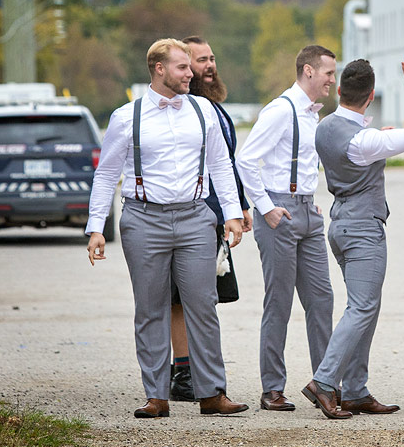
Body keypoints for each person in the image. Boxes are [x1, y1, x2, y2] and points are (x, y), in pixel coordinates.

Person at [86, 38, 249, 418]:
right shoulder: (127, 117)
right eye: (182, 67)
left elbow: (221, 165)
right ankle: (156, 395)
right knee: (151, 308)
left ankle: (212, 393)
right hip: (144, 219)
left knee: (203, 305)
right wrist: (96, 227)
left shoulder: (203, 110)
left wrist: (232, 213)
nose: (190, 73)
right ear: (159, 69)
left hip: (195, 217)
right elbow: (107, 173)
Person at [306, 56, 404, 419]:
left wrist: (383, 138)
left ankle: (356, 390)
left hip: (339, 222)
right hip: (363, 227)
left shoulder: (325, 127)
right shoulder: (366, 140)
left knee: (364, 307)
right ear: (371, 96)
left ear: (340, 90)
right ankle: (325, 382)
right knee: (362, 307)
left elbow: (362, 146)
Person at [237, 45, 337, 412]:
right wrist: (266, 208)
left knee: (321, 300)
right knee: (278, 303)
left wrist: (309, 199)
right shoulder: (281, 110)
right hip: (279, 213)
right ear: (308, 71)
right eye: (328, 72)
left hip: (307, 211)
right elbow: (246, 160)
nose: (332, 79)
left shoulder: (313, 115)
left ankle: (325, 384)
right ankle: (272, 389)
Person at [161, 36, 254, 402]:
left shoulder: (214, 107)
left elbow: (226, 163)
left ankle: (195, 369)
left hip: (217, 215)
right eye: (200, 61)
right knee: (181, 298)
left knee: (204, 298)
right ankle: (183, 373)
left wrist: (239, 206)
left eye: (212, 58)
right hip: (192, 214)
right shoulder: (182, 109)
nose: (209, 66)